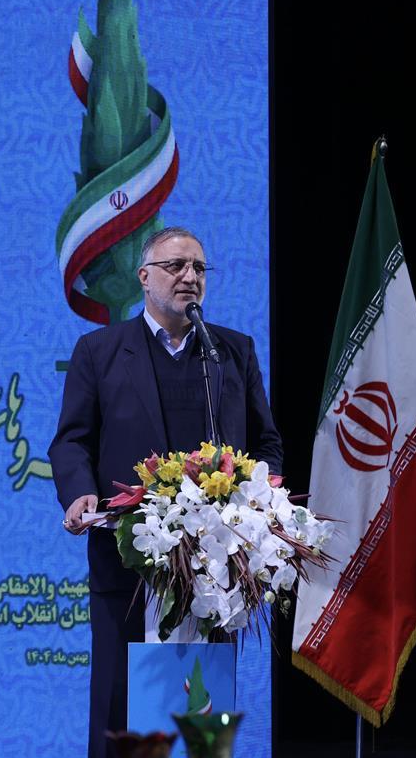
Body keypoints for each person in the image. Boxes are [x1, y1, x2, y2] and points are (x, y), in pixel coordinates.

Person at [49, 226, 284, 758]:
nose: (190, 277)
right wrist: (79, 494)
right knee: (120, 713)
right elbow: (72, 441)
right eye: (176, 266)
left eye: (199, 268)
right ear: (144, 277)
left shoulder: (231, 351)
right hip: (127, 564)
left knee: (198, 717)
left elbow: (265, 442)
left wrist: (262, 502)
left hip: (214, 568)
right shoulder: (99, 351)